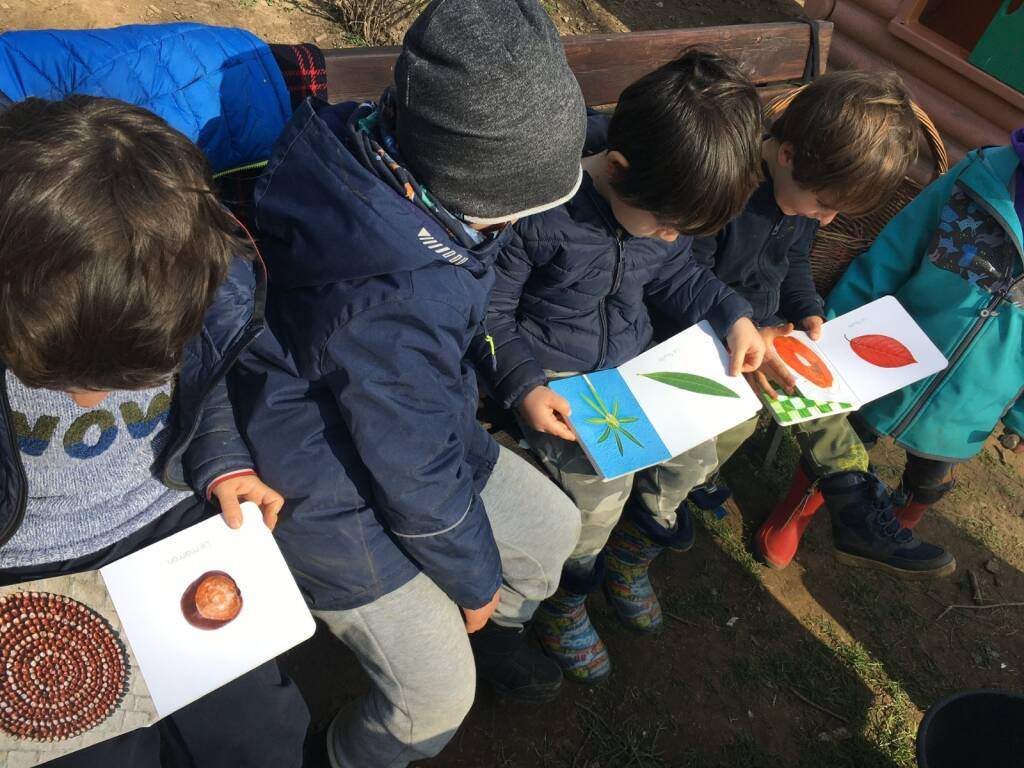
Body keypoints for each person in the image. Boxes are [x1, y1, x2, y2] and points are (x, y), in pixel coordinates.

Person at [231, 1, 585, 765]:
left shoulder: (382, 152)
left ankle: (483, 638)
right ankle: (345, 756)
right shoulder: (398, 302)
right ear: (475, 191)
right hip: (324, 492)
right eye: (518, 213)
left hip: (410, 425)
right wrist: (475, 580)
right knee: (433, 700)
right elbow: (415, 478)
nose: (518, 229)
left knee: (554, 532)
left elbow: (413, 431)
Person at [0, 95, 308, 767]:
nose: (94, 399)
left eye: (135, 377)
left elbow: (207, 385)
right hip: (26, 570)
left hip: (164, 524)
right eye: (63, 379)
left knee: (264, 735)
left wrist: (222, 460)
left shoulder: (177, 272)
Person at [477, 50, 765, 684]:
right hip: (557, 389)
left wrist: (733, 314)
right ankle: (566, 597)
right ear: (616, 169)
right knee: (597, 494)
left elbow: (681, 274)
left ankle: (629, 559)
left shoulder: (661, 201)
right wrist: (524, 387)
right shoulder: (542, 213)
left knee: (697, 450)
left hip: (634, 372)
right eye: (667, 227)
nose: (669, 238)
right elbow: (489, 317)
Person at [679, 71, 955, 578]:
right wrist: (741, 322)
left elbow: (797, 258)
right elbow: (683, 274)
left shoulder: (798, 191)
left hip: (762, 328)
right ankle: (687, 481)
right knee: (745, 409)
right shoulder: (727, 190)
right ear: (786, 155)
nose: (826, 220)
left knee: (803, 384)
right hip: (699, 330)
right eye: (825, 206)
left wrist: (807, 306)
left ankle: (849, 492)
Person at [820, 126, 1024, 551]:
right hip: (892, 348)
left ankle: (900, 520)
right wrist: (841, 321)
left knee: (932, 472)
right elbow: (896, 248)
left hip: (976, 395)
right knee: (843, 438)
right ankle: (795, 514)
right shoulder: (981, 174)